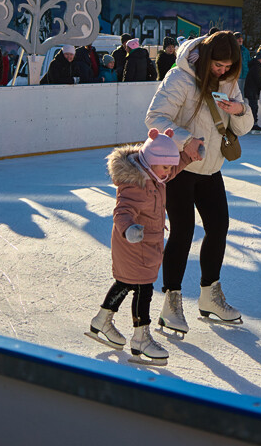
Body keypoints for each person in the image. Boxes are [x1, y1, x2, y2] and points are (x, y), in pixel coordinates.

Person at [145, 31, 253, 334]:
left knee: (219, 227)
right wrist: (186, 139)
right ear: (205, 58)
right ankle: (172, 301)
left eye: (228, 67)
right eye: (218, 66)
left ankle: (209, 295)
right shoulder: (179, 79)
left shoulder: (229, 81)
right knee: (183, 231)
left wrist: (240, 110)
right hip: (179, 167)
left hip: (210, 168)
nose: (222, 71)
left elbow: (243, 128)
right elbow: (155, 117)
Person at [87, 127, 181, 364]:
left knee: (126, 283)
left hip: (145, 246)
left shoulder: (156, 175)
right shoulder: (135, 184)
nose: (169, 172)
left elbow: (175, 166)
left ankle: (102, 320)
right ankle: (140, 338)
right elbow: (122, 211)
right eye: (165, 167)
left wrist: (191, 153)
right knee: (142, 290)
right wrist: (129, 229)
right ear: (151, 162)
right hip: (133, 244)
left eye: (171, 167)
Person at [244, 48, 261, 132]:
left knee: (254, 107)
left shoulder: (255, 66)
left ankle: (253, 123)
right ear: (259, 59)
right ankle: (253, 124)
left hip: (251, 90)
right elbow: (258, 80)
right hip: (252, 91)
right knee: (253, 107)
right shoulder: (256, 67)